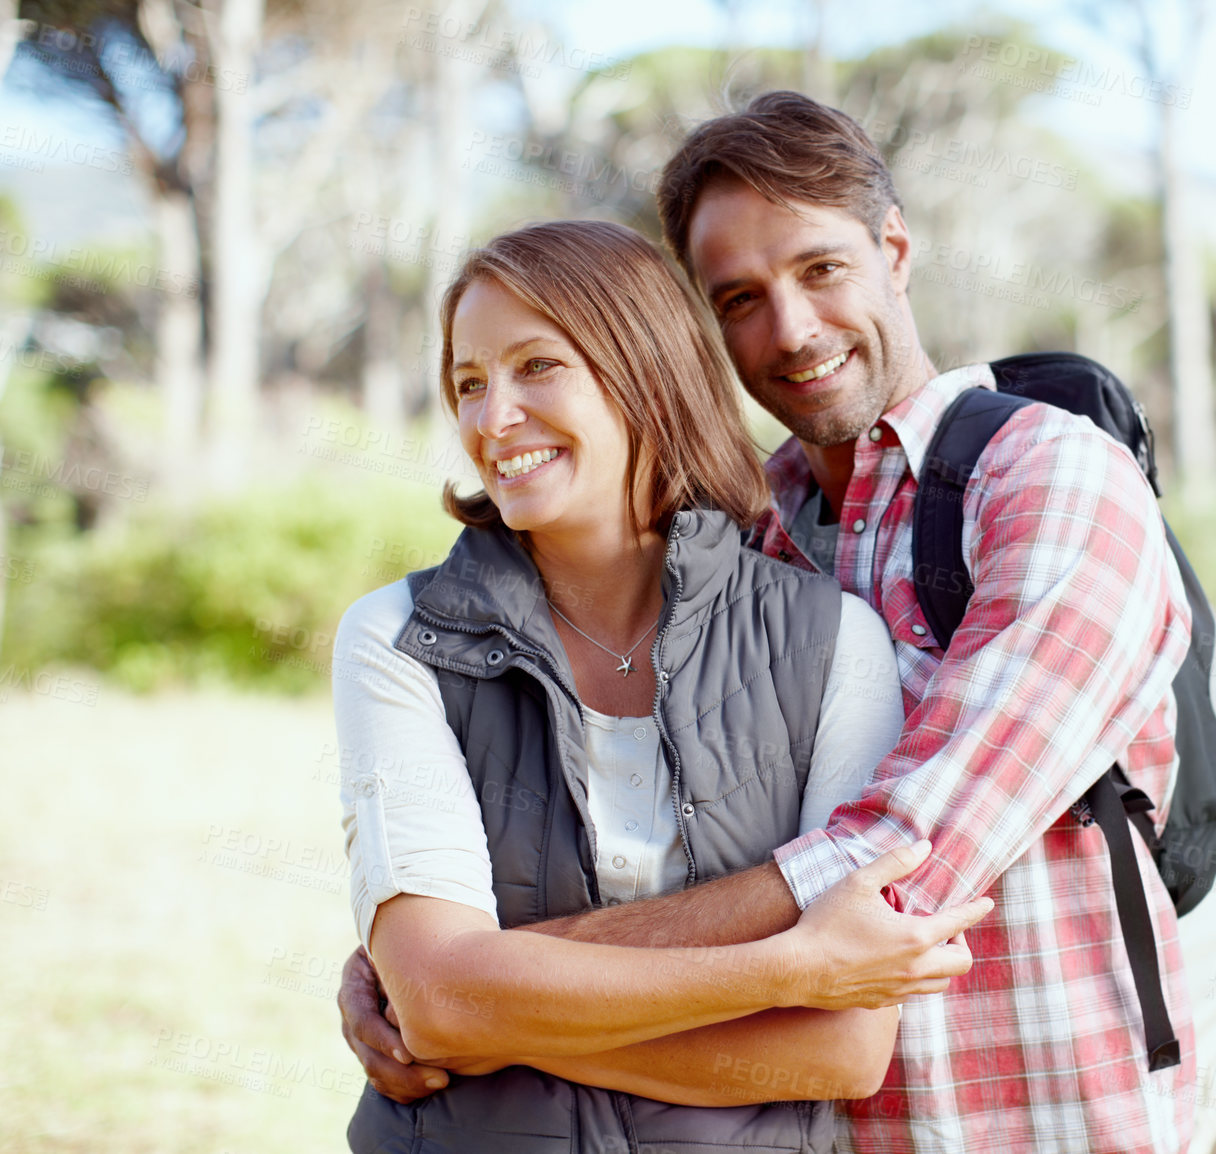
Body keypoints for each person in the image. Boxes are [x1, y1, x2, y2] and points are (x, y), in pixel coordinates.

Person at [343, 91, 1196, 1153]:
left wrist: (469, 982)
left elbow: (896, 857)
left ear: (893, 248)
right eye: (739, 297)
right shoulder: (749, 531)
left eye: (820, 269)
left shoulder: (1050, 479)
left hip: (1040, 1114)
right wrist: (441, 975)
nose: (788, 329)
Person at [332, 218, 993, 1154]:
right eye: (470, 383)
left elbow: (842, 1050)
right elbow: (437, 1001)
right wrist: (787, 969)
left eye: (536, 367)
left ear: (644, 369)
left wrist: (497, 1016)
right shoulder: (401, 639)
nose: (491, 418)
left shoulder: (832, 639)